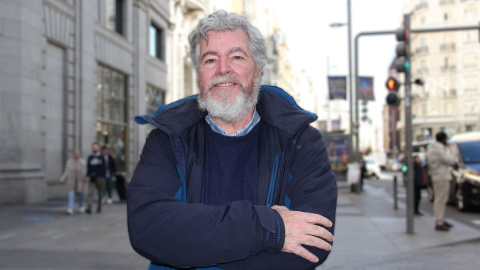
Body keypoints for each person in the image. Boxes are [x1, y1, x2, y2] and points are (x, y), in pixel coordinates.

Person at [127, 10, 337, 270]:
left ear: (258, 70)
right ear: (199, 74)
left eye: (237, 57)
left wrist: (199, 251)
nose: (223, 69)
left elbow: (314, 243)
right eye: (210, 60)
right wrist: (270, 228)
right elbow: (149, 228)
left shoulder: (301, 141)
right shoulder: (168, 139)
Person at [426, 132, 456, 231]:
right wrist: (452, 149)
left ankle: (440, 219)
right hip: (441, 177)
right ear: (443, 139)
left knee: (440, 199)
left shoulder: (433, 148)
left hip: (438, 176)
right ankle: (439, 221)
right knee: (441, 199)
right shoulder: (438, 150)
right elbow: (451, 160)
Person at [60, 149, 86, 215]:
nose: (76, 155)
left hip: (80, 181)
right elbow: (66, 171)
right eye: (75, 154)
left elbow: (85, 171)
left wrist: (86, 177)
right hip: (71, 180)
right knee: (71, 194)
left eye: (77, 154)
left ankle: (81, 206)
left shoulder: (82, 162)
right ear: (73, 154)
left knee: (80, 194)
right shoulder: (69, 162)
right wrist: (62, 179)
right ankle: (70, 208)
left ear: (79, 154)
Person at [85, 142, 107, 214]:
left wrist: (102, 176)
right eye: (93, 147)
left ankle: (99, 206)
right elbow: (88, 168)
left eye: (95, 147)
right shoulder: (90, 157)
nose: (94, 148)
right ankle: (89, 206)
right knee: (90, 192)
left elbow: (104, 168)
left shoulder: (102, 157)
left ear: (98, 148)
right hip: (92, 178)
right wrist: (87, 176)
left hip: (100, 178)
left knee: (100, 193)